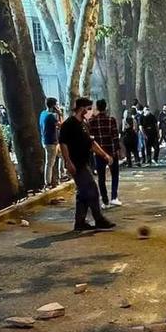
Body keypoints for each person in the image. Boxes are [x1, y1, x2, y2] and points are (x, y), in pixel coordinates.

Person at [59, 97, 116, 231]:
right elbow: (63, 144)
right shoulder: (69, 124)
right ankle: (98, 219)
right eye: (89, 108)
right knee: (92, 190)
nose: (91, 111)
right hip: (76, 163)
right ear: (82, 108)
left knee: (83, 193)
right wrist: (68, 162)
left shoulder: (83, 124)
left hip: (84, 162)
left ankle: (80, 222)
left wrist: (104, 155)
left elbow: (91, 143)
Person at [88, 99, 122, 208]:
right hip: (111, 152)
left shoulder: (92, 121)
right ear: (106, 107)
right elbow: (115, 137)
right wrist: (118, 150)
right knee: (114, 175)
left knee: (101, 178)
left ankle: (105, 201)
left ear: (97, 108)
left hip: (99, 153)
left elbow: (91, 139)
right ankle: (114, 197)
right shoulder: (111, 120)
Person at [39, 97, 61, 188]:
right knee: (49, 163)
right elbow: (60, 125)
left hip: (46, 141)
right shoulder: (51, 116)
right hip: (51, 142)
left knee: (61, 155)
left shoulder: (43, 113)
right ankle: (48, 182)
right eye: (56, 104)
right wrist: (59, 113)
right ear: (53, 106)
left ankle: (61, 174)